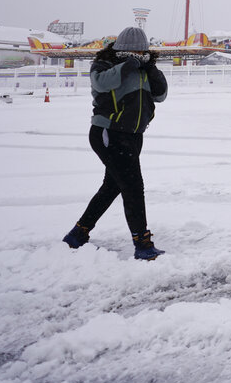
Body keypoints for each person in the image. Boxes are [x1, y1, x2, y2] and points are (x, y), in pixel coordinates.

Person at [61, 26, 168, 260]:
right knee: (132, 186)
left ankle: (78, 234)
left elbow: (160, 95)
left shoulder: (144, 69)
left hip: (133, 135)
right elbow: (100, 84)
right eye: (134, 52)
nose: (139, 55)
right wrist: (127, 66)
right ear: (121, 49)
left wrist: (151, 69)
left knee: (113, 186)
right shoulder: (104, 64)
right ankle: (142, 243)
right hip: (108, 133)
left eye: (142, 51)